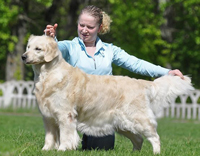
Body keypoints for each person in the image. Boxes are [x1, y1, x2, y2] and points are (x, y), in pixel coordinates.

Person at [44, 5, 184, 151]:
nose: (84, 30)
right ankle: (65, 138)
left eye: (90, 27)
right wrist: (50, 40)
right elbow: (55, 51)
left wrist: (166, 72)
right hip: (74, 107)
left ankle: (127, 142)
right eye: (81, 25)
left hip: (102, 108)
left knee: (100, 148)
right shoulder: (70, 47)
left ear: (99, 28)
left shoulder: (109, 50)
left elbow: (136, 63)